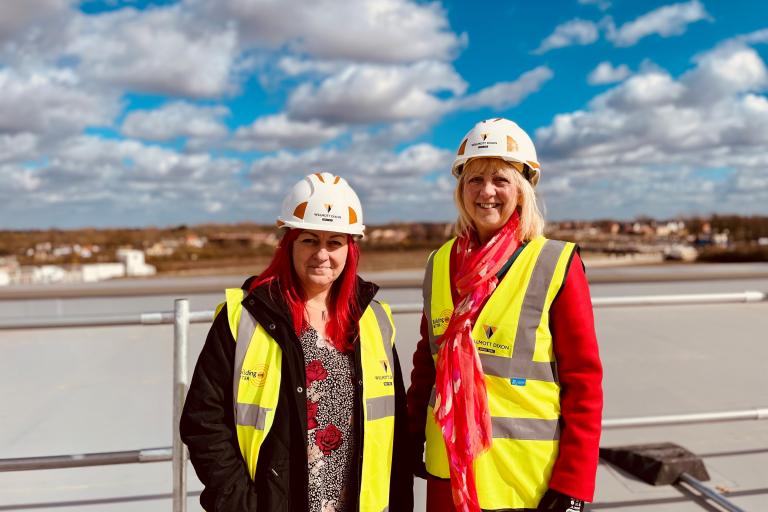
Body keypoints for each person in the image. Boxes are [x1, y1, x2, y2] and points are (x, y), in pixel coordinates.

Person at [181, 172, 413, 512]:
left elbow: (396, 430)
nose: (322, 254)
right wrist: (242, 504)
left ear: (350, 250)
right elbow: (203, 420)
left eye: (334, 242)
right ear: (288, 244)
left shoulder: (375, 320)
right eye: (309, 240)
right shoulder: (245, 317)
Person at [407, 119, 603, 512]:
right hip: (448, 474)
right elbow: (426, 364)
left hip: (525, 484)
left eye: (500, 179)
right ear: (460, 189)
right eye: (474, 179)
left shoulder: (555, 263)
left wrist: (575, 484)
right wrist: (411, 437)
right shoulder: (440, 262)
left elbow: (584, 382)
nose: (487, 192)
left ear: (523, 189)